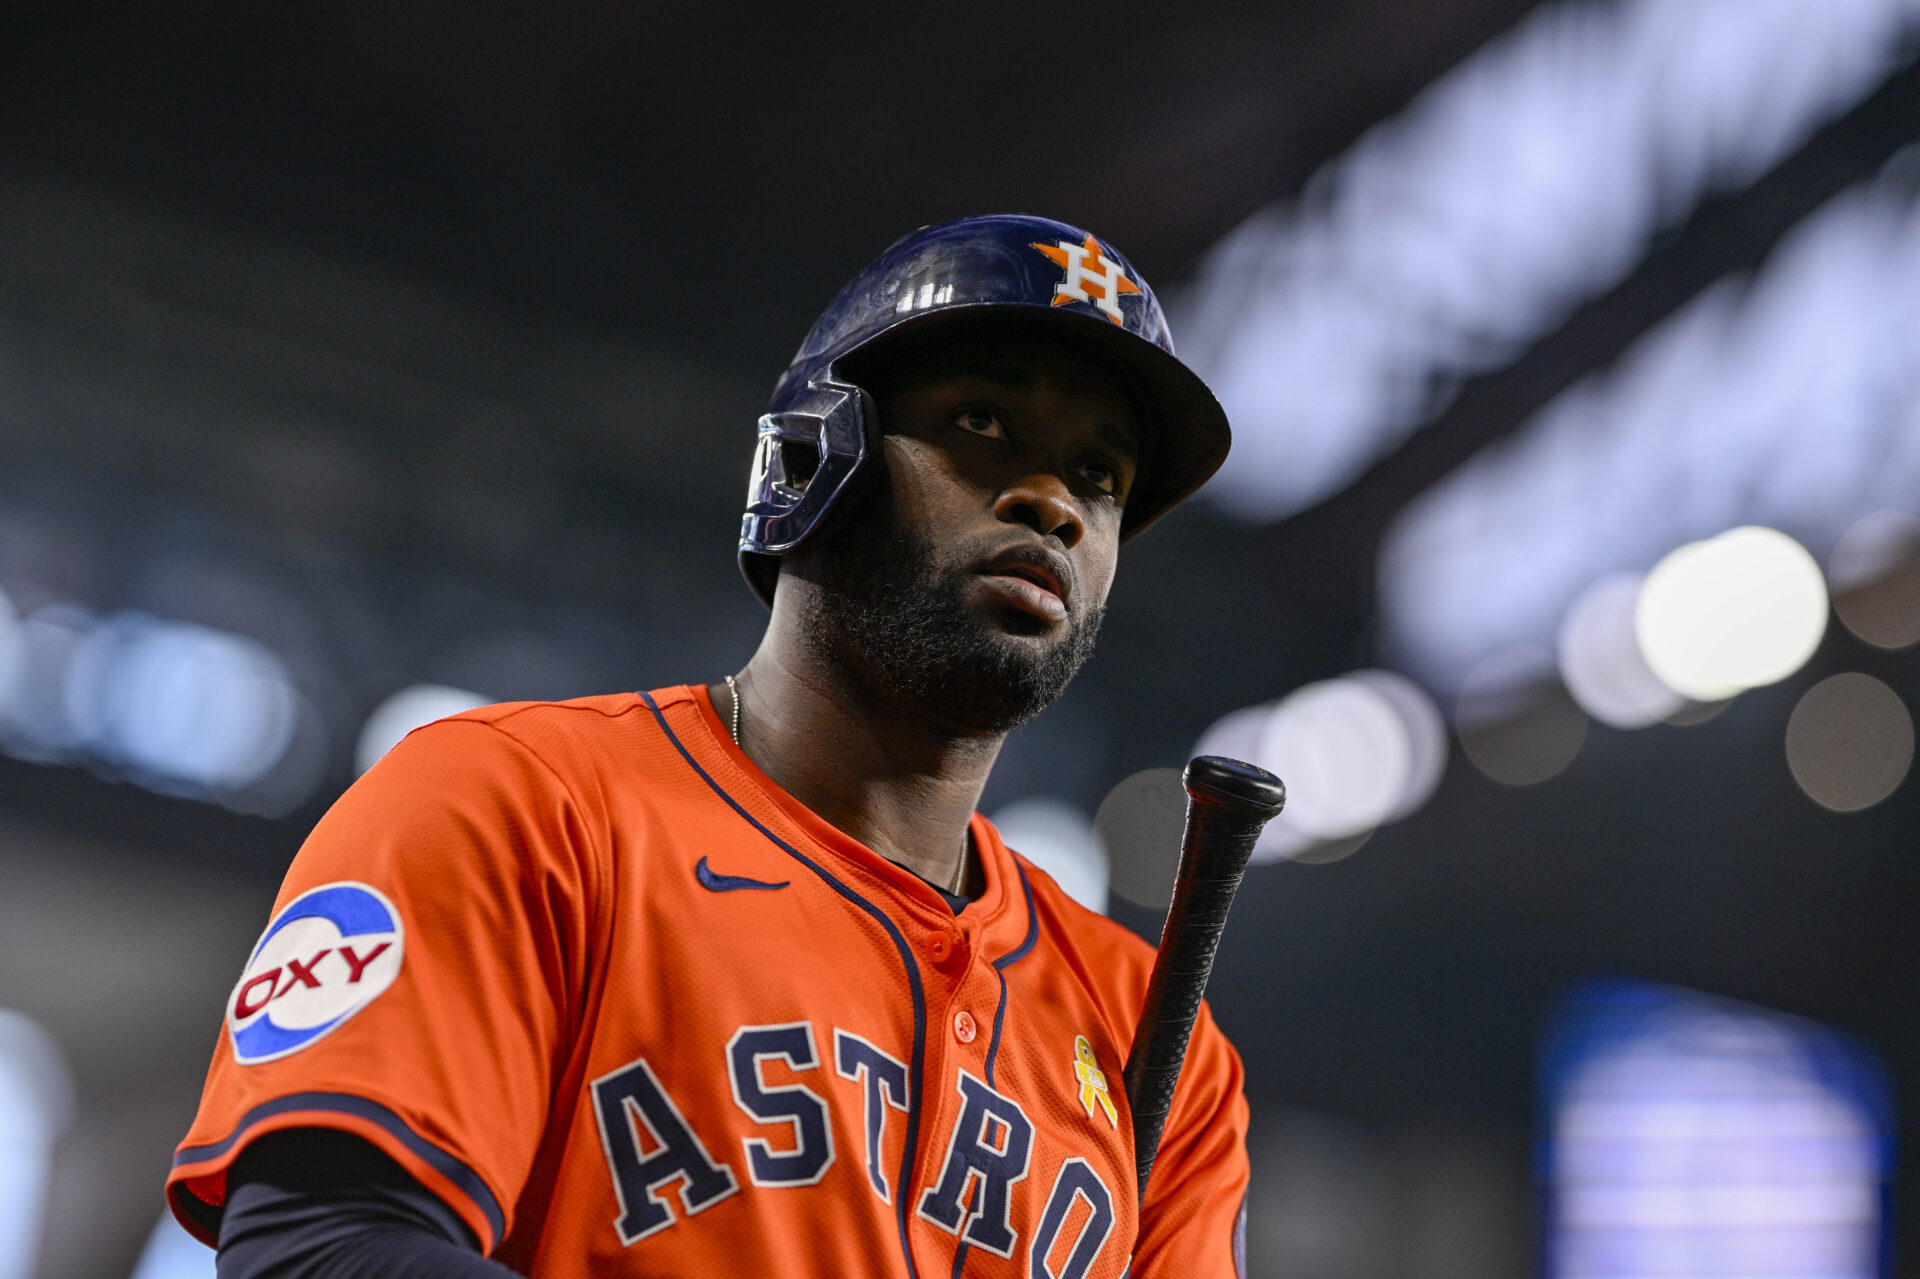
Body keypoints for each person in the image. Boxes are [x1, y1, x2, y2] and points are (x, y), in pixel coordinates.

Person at [166, 214, 1248, 1278]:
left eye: (1100, 476)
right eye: (982, 422)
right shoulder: (517, 804)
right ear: (814, 458)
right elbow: (320, 1245)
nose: (1052, 501)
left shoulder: (1162, 1045)